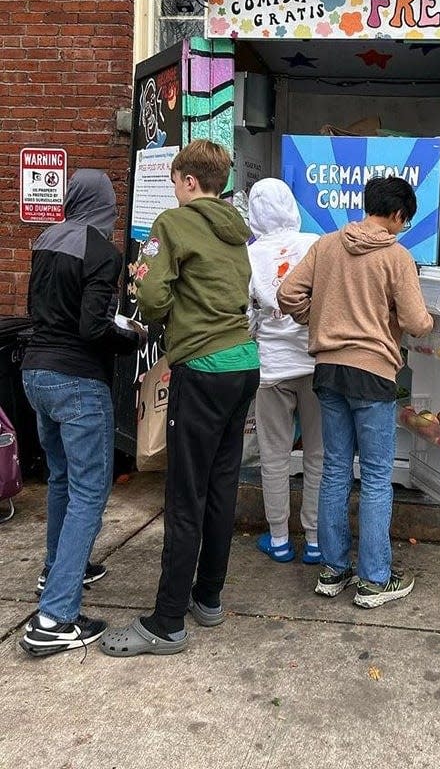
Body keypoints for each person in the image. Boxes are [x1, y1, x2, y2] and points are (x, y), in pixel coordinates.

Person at [100, 139, 259, 658]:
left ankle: (167, 622)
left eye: (174, 181)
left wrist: (162, 317)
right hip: (243, 365)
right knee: (221, 483)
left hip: (203, 366)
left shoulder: (172, 223)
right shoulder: (237, 230)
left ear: (189, 181)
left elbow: (147, 294)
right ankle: (208, 596)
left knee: (184, 494)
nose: (173, 189)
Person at [277, 176, 433, 609]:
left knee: (334, 470)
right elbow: (417, 321)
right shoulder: (396, 256)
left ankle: (333, 570)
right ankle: (375, 579)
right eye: (404, 221)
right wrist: (429, 324)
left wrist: (320, 319)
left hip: (328, 371)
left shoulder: (326, 245)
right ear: (398, 215)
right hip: (373, 374)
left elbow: (287, 294)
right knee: (378, 477)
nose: (401, 228)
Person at [20, 169, 145, 657]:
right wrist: (131, 335)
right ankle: (54, 618)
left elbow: (44, 309)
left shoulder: (45, 239)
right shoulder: (103, 251)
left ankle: (58, 569)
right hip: (76, 381)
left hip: (36, 374)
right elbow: (94, 327)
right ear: (106, 203)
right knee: (90, 492)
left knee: (61, 481)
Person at [246, 178, 323, 565]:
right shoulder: (315, 245)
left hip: (271, 369)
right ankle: (314, 540)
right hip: (315, 364)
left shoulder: (250, 254)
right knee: (318, 456)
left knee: (274, 457)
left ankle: (278, 539)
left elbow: (246, 318)